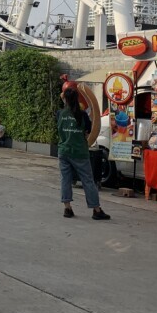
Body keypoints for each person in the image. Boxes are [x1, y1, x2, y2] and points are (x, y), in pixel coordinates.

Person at [58, 87, 110, 220]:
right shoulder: (82, 115)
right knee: (88, 180)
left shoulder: (60, 114)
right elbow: (88, 132)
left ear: (65, 99)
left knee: (66, 180)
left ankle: (67, 208)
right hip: (80, 152)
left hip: (64, 151)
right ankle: (96, 210)